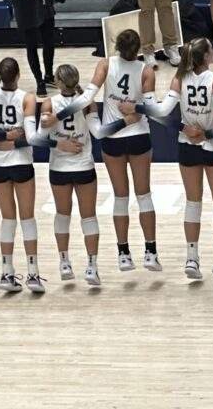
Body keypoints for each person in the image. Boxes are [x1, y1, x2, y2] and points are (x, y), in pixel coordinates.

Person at [143, 38, 213, 286]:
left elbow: (161, 113)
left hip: (187, 146)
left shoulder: (179, 78)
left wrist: (184, 126)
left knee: (193, 203)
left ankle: (191, 259)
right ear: (207, 56)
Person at [88, 29, 162, 271]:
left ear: (115, 46)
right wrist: (135, 107)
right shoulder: (146, 70)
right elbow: (153, 110)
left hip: (113, 136)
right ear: (139, 49)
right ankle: (150, 252)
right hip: (139, 135)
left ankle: (123, 253)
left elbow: (90, 94)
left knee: (121, 197)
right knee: (144, 195)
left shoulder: (105, 64)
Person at [32, 64, 112, 286]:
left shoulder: (49, 103)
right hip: (84, 166)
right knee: (89, 217)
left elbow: (39, 138)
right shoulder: (87, 103)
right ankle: (91, 267)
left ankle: (64, 262)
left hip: (59, 167)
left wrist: (60, 143)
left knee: (62, 215)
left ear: (57, 82)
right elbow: (97, 132)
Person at [0, 58, 44, 293]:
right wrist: (12, 139)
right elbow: (32, 137)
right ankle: (33, 275)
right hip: (22, 161)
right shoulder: (28, 97)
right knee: (27, 218)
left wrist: (0, 137)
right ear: (18, 75)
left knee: (8, 219)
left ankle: (7, 273)